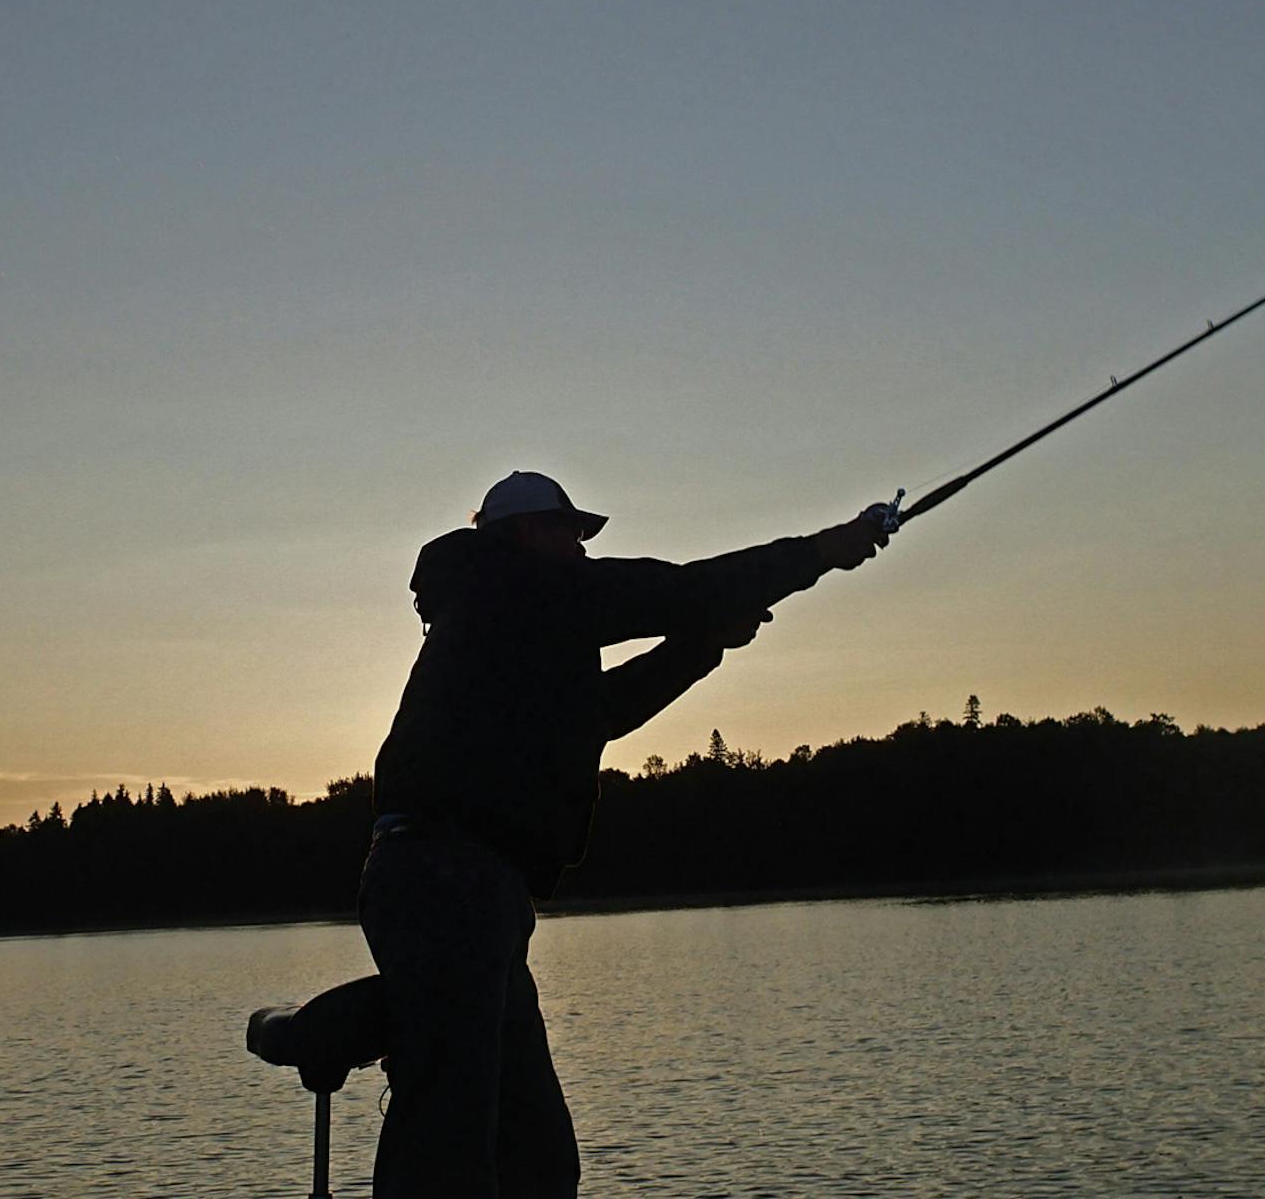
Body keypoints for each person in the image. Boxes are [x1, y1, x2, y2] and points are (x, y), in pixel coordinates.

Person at [359, 470, 887, 1197]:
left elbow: (602, 710)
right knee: (450, 1137)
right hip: (448, 881)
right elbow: (673, 589)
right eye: (568, 532)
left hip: (467, 885)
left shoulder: (510, 616)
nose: (579, 548)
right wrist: (823, 551)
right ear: (524, 533)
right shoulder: (519, 588)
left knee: (536, 1153)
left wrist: (702, 647)